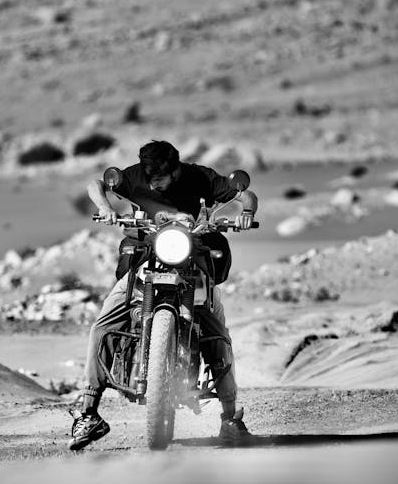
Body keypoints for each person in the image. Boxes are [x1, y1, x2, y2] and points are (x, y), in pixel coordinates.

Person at [69, 140, 259, 450]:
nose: (155, 182)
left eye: (162, 177)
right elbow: (95, 184)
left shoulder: (200, 178)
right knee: (102, 325)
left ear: (176, 167)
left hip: (192, 256)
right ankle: (88, 412)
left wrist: (246, 212)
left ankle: (231, 419)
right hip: (146, 255)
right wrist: (105, 208)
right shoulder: (134, 177)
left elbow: (244, 194)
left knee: (217, 334)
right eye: (151, 177)